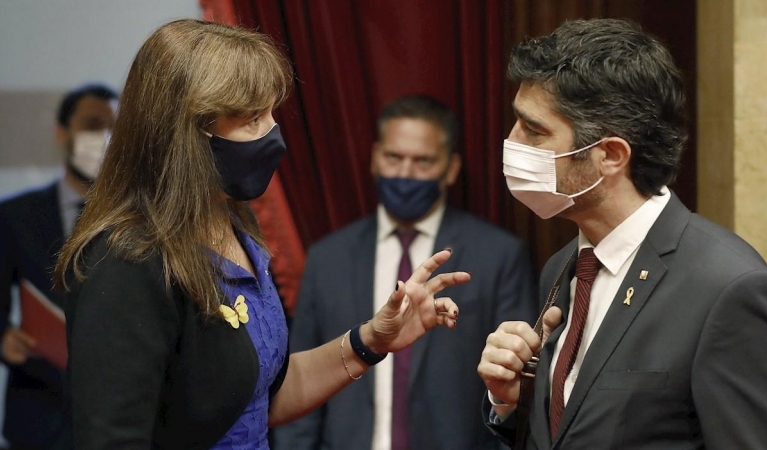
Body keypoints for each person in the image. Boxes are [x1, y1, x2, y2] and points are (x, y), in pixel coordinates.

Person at [53, 19, 469, 449]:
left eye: (272, 113)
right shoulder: (125, 262)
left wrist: (370, 341)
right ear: (188, 136)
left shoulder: (234, 222)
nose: (274, 136)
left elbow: (257, 398)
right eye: (253, 119)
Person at [477, 18, 767, 449]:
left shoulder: (729, 290)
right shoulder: (565, 268)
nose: (512, 142)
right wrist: (510, 404)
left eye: (534, 131)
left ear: (610, 155)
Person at [272, 95, 536, 450]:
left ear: (451, 168)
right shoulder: (327, 258)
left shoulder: (498, 256)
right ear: (375, 159)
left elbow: (514, 383)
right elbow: (297, 381)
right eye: (394, 158)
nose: (405, 173)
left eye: (423, 161)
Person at [0, 82, 118, 449]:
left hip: (119, 420)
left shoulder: (138, 221)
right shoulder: (15, 216)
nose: (102, 137)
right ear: (61, 133)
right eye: (91, 125)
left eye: (111, 128)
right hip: (39, 416)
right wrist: (3, 338)